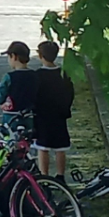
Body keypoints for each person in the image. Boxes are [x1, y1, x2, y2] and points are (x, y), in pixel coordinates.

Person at [31, 40, 75, 182]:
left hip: (43, 116)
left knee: (42, 147)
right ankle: (60, 175)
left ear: (40, 56)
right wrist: (65, 108)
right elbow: (70, 92)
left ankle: (44, 176)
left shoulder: (37, 75)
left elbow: (34, 95)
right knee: (60, 147)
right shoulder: (63, 73)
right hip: (59, 115)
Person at [0, 41, 38, 130]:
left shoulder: (9, 77)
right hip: (29, 114)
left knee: (9, 136)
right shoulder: (35, 75)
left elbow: (2, 92)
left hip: (12, 115)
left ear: (14, 56)